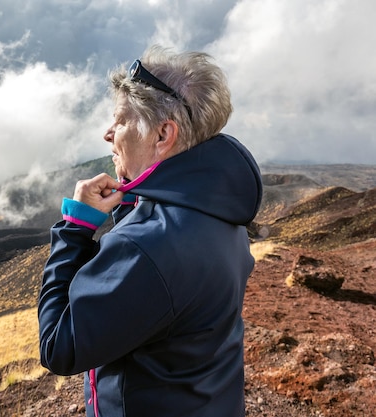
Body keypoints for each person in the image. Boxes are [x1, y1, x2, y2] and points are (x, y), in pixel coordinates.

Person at [38, 44, 263, 417]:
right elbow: (162, 298)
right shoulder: (218, 208)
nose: (108, 133)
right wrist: (136, 205)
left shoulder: (147, 248)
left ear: (163, 135)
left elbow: (59, 346)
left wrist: (74, 228)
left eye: (121, 120)